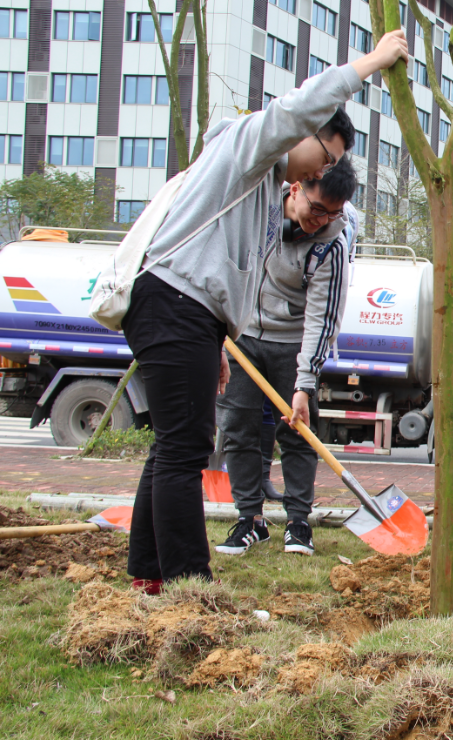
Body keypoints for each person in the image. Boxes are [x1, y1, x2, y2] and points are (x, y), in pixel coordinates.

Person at [120, 30, 408, 594]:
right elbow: (300, 105)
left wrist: (219, 340)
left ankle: (149, 577)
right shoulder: (249, 146)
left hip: (190, 313)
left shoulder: (260, 191)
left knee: (173, 445)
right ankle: (188, 584)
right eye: (327, 156)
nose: (319, 172)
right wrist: (373, 61)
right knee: (186, 449)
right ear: (304, 137)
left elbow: (233, 273)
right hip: (173, 300)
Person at [215, 158, 360, 557]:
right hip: (242, 335)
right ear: (295, 188)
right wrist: (219, 336)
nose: (322, 220)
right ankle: (249, 520)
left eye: (333, 213)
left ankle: (298, 522)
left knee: (298, 433)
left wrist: (304, 383)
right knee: (238, 428)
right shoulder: (258, 209)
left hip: (293, 342)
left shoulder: (333, 243)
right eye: (317, 209)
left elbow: (322, 318)